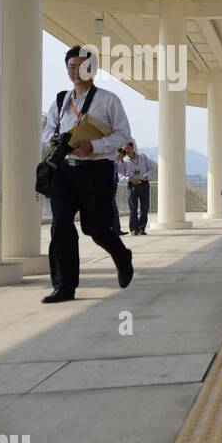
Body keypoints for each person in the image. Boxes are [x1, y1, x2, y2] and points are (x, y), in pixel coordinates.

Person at [42, 45, 133, 303]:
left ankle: (122, 255)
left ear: (92, 69)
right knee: (60, 226)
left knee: (95, 228)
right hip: (65, 171)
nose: (76, 71)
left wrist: (93, 145)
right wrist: (53, 140)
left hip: (96, 171)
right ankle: (64, 286)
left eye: (81, 66)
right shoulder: (61, 100)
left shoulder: (109, 100)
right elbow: (48, 129)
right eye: (71, 66)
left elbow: (123, 135)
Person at [121, 140, 154, 236]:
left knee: (145, 208)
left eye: (127, 148)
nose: (125, 150)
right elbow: (120, 175)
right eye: (124, 149)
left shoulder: (142, 157)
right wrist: (129, 179)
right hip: (132, 186)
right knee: (133, 209)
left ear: (132, 148)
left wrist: (147, 175)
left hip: (144, 184)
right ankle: (134, 229)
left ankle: (141, 229)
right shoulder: (124, 161)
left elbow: (151, 168)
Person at [111, 147, 128, 235]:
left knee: (113, 209)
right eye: (120, 155)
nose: (121, 157)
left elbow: (121, 174)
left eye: (122, 156)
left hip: (113, 188)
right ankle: (115, 229)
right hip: (107, 188)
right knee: (114, 210)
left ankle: (115, 229)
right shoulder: (111, 161)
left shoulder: (119, 163)